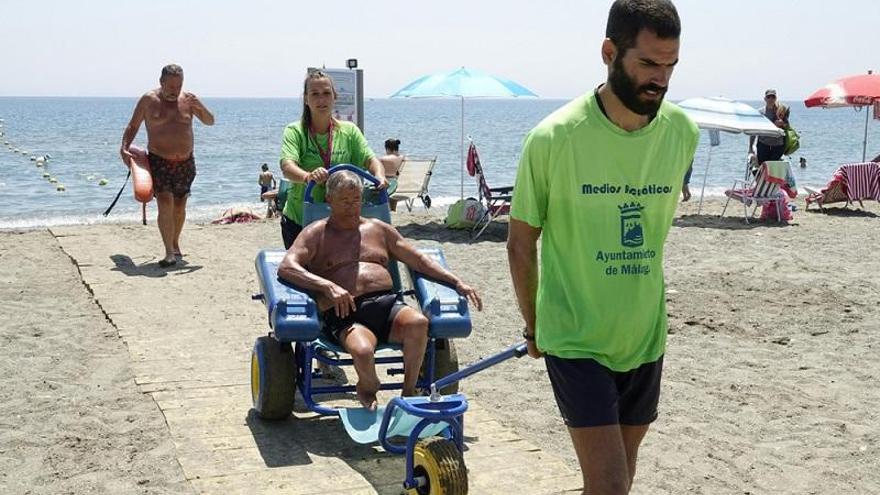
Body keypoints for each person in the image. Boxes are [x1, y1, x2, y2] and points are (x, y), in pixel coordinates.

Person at [506, 1, 698, 494]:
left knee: (622, 473)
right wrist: (535, 325)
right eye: (648, 64)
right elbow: (522, 241)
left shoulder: (682, 133)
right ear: (609, 52)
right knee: (610, 482)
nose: (662, 79)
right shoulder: (553, 138)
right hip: (574, 336)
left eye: (671, 65)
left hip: (644, 334)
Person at [278, 170, 482, 411]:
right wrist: (327, 285)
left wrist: (457, 282)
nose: (352, 206)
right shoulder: (316, 232)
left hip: (387, 306)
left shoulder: (378, 229)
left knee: (418, 323)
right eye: (344, 201)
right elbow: (287, 266)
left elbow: (418, 260)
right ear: (329, 200)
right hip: (347, 312)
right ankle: (367, 386)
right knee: (363, 352)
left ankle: (408, 393)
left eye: (356, 200)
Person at [278, 70, 387, 249]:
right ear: (306, 99)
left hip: (340, 220)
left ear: (334, 97)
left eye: (326, 93)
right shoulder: (295, 131)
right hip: (301, 219)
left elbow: (370, 160)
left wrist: (379, 176)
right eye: (315, 94)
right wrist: (308, 177)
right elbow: (287, 166)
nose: (321, 99)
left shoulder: (349, 131)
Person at [120, 64, 215, 268]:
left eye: (178, 85)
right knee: (165, 202)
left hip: (185, 162)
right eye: (171, 86)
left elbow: (210, 121)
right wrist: (124, 147)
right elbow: (133, 125)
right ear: (161, 82)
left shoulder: (189, 100)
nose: (175, 90)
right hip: (159, 159)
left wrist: (199, 105)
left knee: (180, 206)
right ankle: (168, 252)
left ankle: (174, 242)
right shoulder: (148, 100)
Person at [749, 89, 790, 166]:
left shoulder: (781, 110)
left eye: (773, 97)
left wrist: (782, 124)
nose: (771, 99)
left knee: (772, 166)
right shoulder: (760, 112)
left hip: (778, 145)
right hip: (763, 144)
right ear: (765, 99)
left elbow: (787, 126)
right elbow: (754, 131)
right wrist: (750, 147)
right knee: (763, 166)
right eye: (768, 97)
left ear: (776, 98)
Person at [379, 138, 405, 210]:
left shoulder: (383, 159)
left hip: (390, 187)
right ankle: (393, 208)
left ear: (387, 149)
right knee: (394, 180)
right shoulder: (404, 158)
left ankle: (387, 208)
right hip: (403, 187)